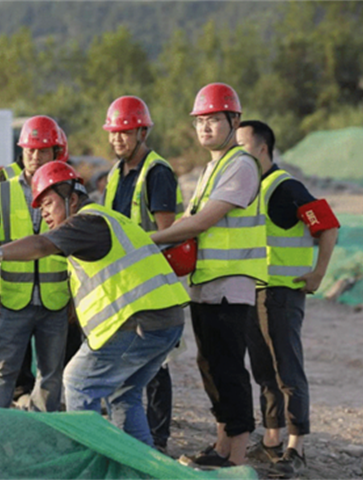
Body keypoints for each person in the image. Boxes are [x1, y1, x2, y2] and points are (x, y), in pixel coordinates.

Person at [0, 161, 190, 446]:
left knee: (77, 381)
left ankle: (87, 459)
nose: (44, 212)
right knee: (124, 395)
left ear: (71, 199)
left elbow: (40, 245)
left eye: (48, 203)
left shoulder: (86, 222)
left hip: (138, 323)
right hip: (165, 322)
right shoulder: (106, 220)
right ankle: (138, 468)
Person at [150, 83, 267, 467]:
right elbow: (190, 216)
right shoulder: (211, 168)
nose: (205, 128)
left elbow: (202, 221)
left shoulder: (241, 164)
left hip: (230, 285)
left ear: (234, 120)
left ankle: (235, 457)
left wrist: (152, 238)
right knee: (210, 366)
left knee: (229, 369)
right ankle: (220, 447)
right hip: (205, 284)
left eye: (214, 119)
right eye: (200, 121)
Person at [237, 120, 340, 475]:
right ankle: (271, 439)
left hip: (282, 293)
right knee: (264, 370)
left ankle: (295, 448)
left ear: (263, 148)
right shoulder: (250, 188)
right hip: (254, 291)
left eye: (243, 145)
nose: (237, 153)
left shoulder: (286, 188)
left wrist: (318, 274)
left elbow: (328, 225)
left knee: (287, 370)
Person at [101, 95, 184, 453]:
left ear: (142, 131)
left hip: (151, 285)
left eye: (125, 131)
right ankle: (133, 433)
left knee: (156, 364)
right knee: (128, 363)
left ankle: (158, 440)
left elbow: (169, 233)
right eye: (114, 132)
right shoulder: (114, 174)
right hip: (124, 285)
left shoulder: (157, 173)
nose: (118, 138)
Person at [0, 115, 71, 412]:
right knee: (2, 370)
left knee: (51, 376)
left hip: (55, 301)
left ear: (55, 153)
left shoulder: (69, 195)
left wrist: (76, 299)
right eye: (30, 150)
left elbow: (76, 251)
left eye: (42, 151)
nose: (34, 156)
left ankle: (41, 433)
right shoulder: (1, 192)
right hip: (13, 300)